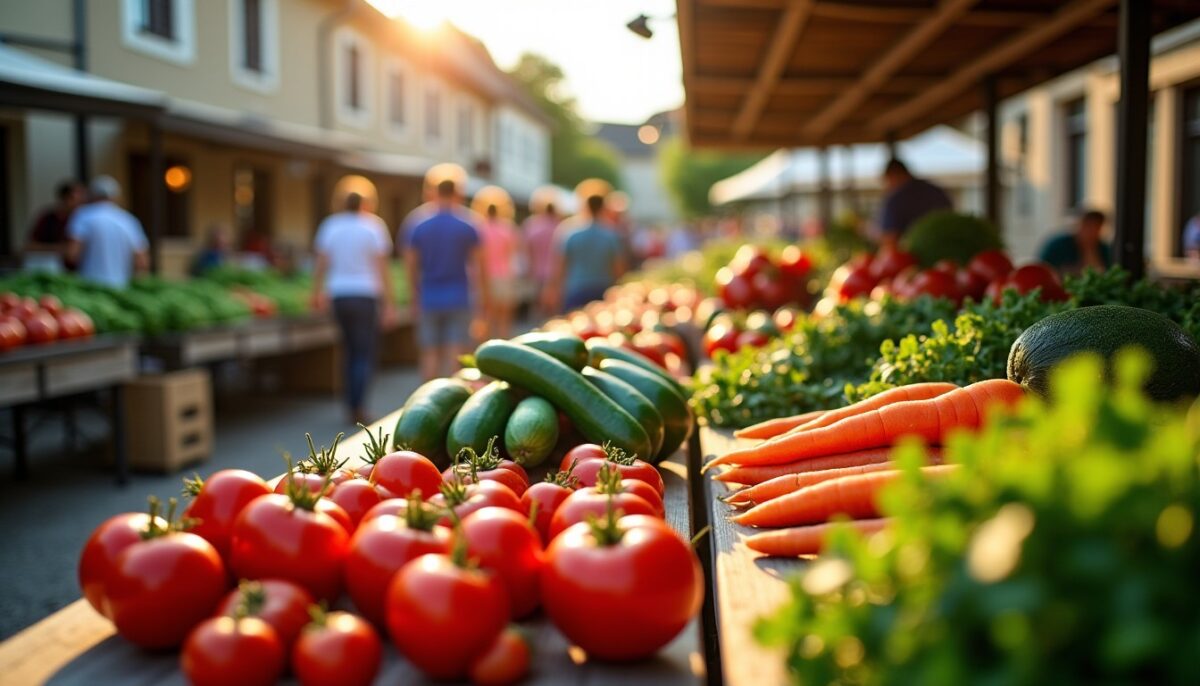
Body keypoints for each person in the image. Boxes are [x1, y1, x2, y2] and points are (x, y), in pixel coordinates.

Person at [311, 188, 396, 426]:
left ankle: (349, 404)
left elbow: (321, 263)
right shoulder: (373, 226)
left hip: (339, 294)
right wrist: (389, 303)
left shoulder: (330, 225)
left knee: (348, 351)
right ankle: (358, 406)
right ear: (366, 203)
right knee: (363, 353)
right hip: (366, 295)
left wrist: (315, 292)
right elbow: (383, 268)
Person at [403, 168, 488, 381]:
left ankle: (427, 402)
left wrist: (413, 295)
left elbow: (410, 264)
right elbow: (480, 267)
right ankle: (455, 401)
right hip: (459, 295)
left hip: (428, 296)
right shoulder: (469, 223)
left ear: (433, 190)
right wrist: (483, 301)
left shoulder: (417, 222)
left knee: (429, 352)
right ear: (458, 191)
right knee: (456, 352)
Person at [546, 190, 626, 312]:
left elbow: (561, 265)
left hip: (576, 289)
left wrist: (554, 288)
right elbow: (618, 266)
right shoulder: (610, 234)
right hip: (603, 289)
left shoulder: (571, 233)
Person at [66, 176, 149, 288]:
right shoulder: (128, 220)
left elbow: (72, 254)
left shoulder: (83, 215)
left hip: (89, 286)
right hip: (120, 288)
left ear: (93, 195)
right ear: (115, 197)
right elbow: (141, 262)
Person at [472, 186, 520, 339]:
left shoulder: (479, 228)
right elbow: (513, 253)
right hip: (504, 277)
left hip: (484, 277)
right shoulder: (508, 228)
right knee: (504, 321)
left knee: (486, 319)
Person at [874, 158, 952, 246]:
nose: (888, 186)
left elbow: (890, 238)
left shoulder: (895, 199)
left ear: (893, 175)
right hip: (948, 248)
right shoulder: (936, 191)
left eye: (887, 181)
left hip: (911, 255)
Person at [1038, 209, 1112, 275]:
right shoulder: (1058, 245)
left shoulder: (1103, 248)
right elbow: (1042, 268)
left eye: (1096, 228)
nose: (1091, 232)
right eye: (1088, 226)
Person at [27, 180, 85, 261]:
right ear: (64, 199)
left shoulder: (83, 219)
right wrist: (59, 248)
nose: (80, 202)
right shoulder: (48, 218)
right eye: (76, 198)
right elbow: (31, 246)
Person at [523, 190, 561, 316]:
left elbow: (526, 249)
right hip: (555, 273)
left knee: (538, 307)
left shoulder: (532, 225)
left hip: (536, 272)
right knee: (553, 309)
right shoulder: (560, 227)